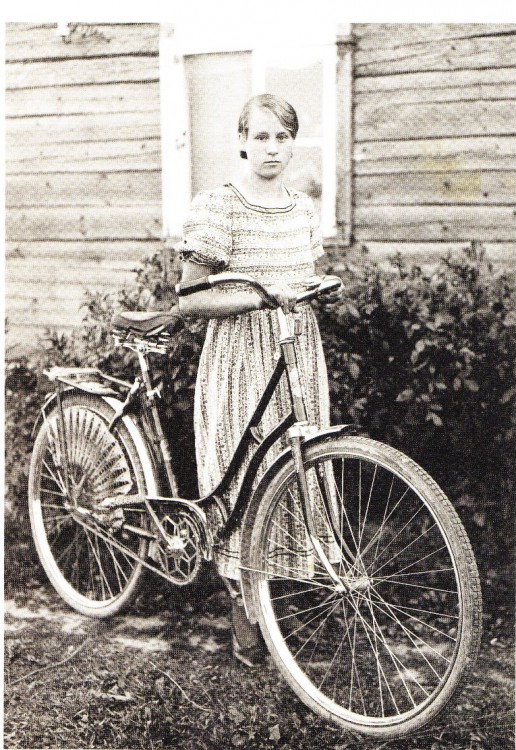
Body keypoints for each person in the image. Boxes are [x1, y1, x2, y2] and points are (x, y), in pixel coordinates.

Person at [177, 93, 340, 666]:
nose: (272, 149)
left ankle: (278, 600)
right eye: (261, 136)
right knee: (244, 473)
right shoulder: (221, 205)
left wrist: (315, 289)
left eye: (283, 137)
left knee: (297, 470)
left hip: (296, 353)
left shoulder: (302, 209)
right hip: (242, 358)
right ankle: (244, 612)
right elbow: (191, 296)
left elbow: (304, 274)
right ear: (241, 140)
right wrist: (257, 296)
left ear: (293, 143)